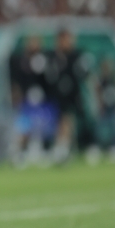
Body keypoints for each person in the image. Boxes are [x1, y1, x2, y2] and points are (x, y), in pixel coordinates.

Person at [9, 35, 56, 162]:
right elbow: (17, 81)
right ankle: (19, 152)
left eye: (36, 42)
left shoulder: (45, 58)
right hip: (26, 101)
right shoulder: (20, 60)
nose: (34, 45)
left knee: (44, 126)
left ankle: (45, 149)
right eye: (31, 42)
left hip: (43, 102)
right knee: (24, 127)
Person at [47, 29, 88, 162]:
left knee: (69, 121)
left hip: (73, 95)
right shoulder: (52, 57)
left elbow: (84, 74)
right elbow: (49, 77)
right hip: (58, 96)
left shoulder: (76, 56)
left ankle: (66, 148)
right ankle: (62, 148)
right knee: (62, 122)